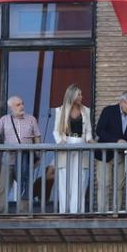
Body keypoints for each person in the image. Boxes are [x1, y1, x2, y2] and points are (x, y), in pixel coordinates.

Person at [0, 95, 41, 213]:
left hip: (26, 159)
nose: (22, 106)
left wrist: (37, 156)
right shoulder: (5, 119)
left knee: (25, 187)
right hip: (8, 160)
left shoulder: (31, 119)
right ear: (11, 108)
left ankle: (23, 214)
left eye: (22, 103)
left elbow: (37, 138)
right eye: (18, 105)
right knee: (3, 187)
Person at [94, 90, 127, 212]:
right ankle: (103, 213)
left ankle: (116, 212)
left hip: (121, 155)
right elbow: (99, 130)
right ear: (122, 102)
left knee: (119, 186)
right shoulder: (108, 111)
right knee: (104, 185)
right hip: (104, 155)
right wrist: (116, 141)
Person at [52, 84, 94, 214]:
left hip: (81, 144)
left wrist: (90, 140)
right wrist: (60, 141)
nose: (81, 97)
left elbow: (88, 131)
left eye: (81, 94)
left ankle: (77, 211)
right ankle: (65, 211)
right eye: (79, 94)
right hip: (66, 144)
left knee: (80, 178)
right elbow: (56, 131)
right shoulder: (60, 110)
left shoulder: (86, 110)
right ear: (72, 95)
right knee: (65, 178)